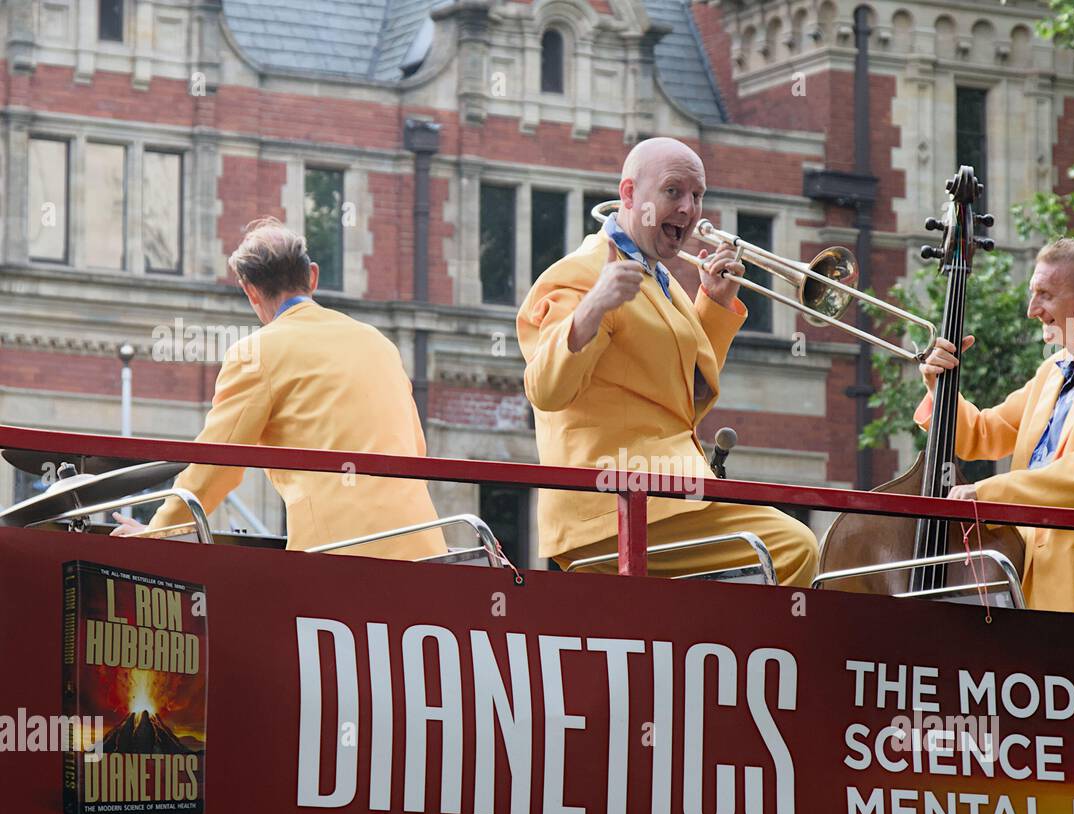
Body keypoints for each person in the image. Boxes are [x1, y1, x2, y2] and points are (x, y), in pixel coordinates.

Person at [516, 137, 817, 585]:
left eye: (698, 196)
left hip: (666, 491)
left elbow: (683, 394)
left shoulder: (662, 279)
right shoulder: (580, 273)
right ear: (630, 194)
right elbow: (545, 390)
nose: (689, 208)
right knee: (790, 547)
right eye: (674, 191)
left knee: (773, 557)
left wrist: (713, 304)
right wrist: (590, 310)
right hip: (612, 502)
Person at [113, 218, 447, 560]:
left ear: (250, 291)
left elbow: (215, 463)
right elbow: (415, 449)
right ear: (313, 276)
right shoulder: (380, 344)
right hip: (423, 547)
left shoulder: (256, 352)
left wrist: (157, 532)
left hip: (338, 553)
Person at [916, 237, 1074, 614]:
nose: (1033, 310)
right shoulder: (1052, 370)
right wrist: (941, 388)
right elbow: (981, 434)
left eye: (1045, 295)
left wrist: (988, 493)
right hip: (1015, 565)